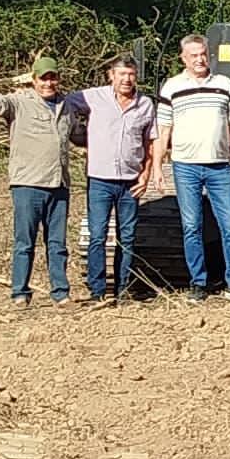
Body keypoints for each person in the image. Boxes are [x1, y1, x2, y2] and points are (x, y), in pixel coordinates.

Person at [0, 57, 84, 308]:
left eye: (53, 77)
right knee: (25, 242)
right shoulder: (20, 102)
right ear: (33, 80)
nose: (49, 83)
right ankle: (20, 293)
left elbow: (79, 136)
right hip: (28, 184)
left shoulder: (66, 107)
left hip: (59, 185)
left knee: (57, 244)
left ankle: (61, 293)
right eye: (43, 78)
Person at [155, 33, 230, 302]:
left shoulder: (224, 85)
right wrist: (156, 165)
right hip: (185, 166)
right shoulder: (172, 87)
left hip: (219, 166)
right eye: (193, 55)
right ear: (183, 58)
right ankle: (197, 283)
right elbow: (163, 130)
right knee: (192, 226)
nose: (199, 59)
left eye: (203, 54)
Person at [77, 53, 158, 303]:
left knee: (127, 237)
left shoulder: (145, 104)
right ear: (111, 75)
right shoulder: (93, 97)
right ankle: (97, 291)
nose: (127, 79)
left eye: (131, 75)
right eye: (122, 74)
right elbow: (60, 104)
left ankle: (123, 290)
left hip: (130, 181)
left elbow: (150, 142)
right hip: (100, 179)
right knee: (98, 235)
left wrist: (145, 175)